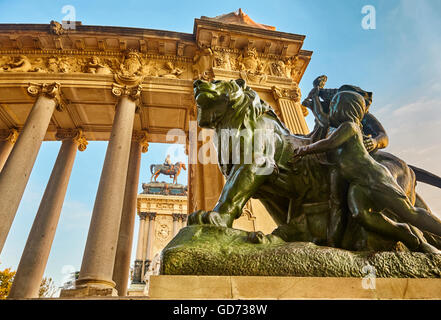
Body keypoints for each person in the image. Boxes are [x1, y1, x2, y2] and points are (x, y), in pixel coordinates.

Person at [293, 90, 441, 253]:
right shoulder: (337, 125)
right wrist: (314, 101)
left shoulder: (350, 127)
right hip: (357, 182)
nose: (331, 108)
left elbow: (329, 143)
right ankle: (403, 233)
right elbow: (323, 119)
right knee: (360, 213)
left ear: (346, 109)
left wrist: (304, 149)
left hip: (373, 177)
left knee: (409, 212)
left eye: (335, 104)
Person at [301, 77, 389, 246]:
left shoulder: (361, 116)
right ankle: (332, 241)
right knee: (336, 202)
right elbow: (323, 120)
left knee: (346, 203)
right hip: (336, 161)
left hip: (358, 159)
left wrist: (376, 142)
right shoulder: (336, 116)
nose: (335, 104)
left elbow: (384, 137)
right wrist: (315, 98)